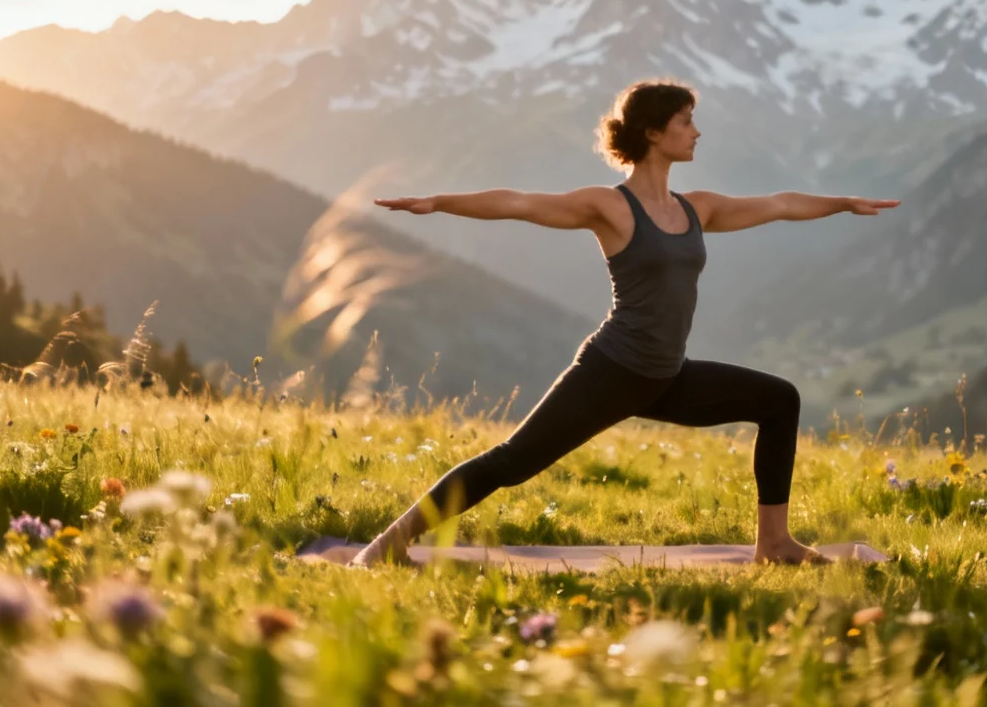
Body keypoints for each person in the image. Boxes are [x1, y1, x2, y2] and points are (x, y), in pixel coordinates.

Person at [350, 79, 900, 566]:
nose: (697, 132)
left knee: (779, 400)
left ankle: (774, 544)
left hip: (667, 376)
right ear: (655, 132)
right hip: (611, 372)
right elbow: (518, 202)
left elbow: (778, 204)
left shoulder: (697, 209)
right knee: (510, 463)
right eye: (686, 121)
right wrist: (439, 203)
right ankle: (385, 545)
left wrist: (844, 203)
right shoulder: (610, 207)